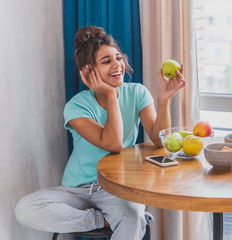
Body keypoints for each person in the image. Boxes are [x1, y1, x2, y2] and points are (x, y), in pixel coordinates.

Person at [15, 26, 186, 239]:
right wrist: (110, 94)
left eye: (118, 58)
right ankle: (104, 219)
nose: (117, 65)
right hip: (77, 189)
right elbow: (112, 143)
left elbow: (159, 141)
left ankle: (129, 217)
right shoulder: (76, 106)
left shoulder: (137, 93)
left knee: (131, 218)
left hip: (117, 188)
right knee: (25, 208)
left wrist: (163, 99)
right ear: (88, 71)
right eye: (106, 62)